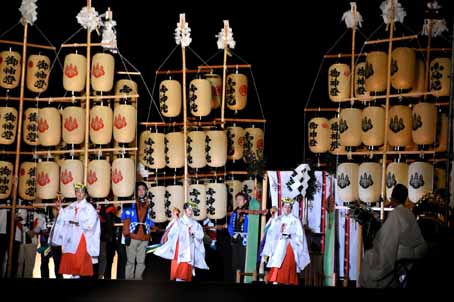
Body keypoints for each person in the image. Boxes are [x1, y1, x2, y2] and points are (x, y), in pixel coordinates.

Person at [359, 184, 427, 288]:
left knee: (369, 257)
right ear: (405, 199)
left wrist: (377, 241)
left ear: (393, 198)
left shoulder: (396, 214)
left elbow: (387, 241)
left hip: (402, 256)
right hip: (414, 255)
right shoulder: (408, 213)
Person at [51, 183, 101, 278]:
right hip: (72, 238)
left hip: (83, 238)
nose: (79, 194)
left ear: (85, 194)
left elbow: (93, 223)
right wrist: (60, 209)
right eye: (77, 192)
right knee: (73, 262)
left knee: (81, 262)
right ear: (75, 193)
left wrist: (80, 224)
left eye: (82, 192)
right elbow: (64, 216)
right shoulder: (71, 206)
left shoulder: (89, 208)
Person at [154, 203, 209, 282]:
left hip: (190, 251)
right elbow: (170, 232)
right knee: (179, 274)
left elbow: (200, 236)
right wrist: (176, 220)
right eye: (189, 210)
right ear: (185, 210)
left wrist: (193, 232)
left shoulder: (195, 224)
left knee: (187, 275)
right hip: (179, 250)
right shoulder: (179, 221)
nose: (190, 212)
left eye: (192, 210)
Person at [261, 198, 310, 285]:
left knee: (288, 264)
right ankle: (275, 280)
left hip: (290, 244)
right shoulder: (279, 219)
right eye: (285, 207)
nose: (287, 209)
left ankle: (288, 281)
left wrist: (291, 236)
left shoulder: (295, 220)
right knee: (277, 262)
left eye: (289, 207)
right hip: (280, 245)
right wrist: (273, 219)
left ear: (291, 209)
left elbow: (300, 235)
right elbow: (270, 231)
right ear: (282, 208)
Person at [121, 182, 154, 280]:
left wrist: (153, 229)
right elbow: (126, 219)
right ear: (136, 192)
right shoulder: (131, 203)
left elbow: (152, 221)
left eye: (143, 189)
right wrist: (126, 234)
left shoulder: (150, 205)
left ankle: (138, 282)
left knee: (141, 262)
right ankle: (129, 282)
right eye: (139, 189)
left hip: (144, 237)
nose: (141, 191)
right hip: (132, 236)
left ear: (146, 191)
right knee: (130, 261)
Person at [16, 208, 46, 278]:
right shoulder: (20, 207)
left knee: (29, 265)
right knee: (19, 264)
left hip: (32, 241)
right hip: (19, 240)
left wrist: (34, 231)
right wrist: (28, 230)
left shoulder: (37, 210)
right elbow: (18, 219)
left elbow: (42, 220)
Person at [227, 192, 249, 279]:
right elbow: (230, 226)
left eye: (240, 199)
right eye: (237, 200)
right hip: (235, 238)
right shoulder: (234, 212)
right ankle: (237, 278)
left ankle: (244, 278)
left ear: (245, 201)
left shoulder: (248, 212)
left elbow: (250, 225)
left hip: (244, 238)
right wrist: (232, 234)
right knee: (235, 260)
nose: (238, 201)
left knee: (243, 259)